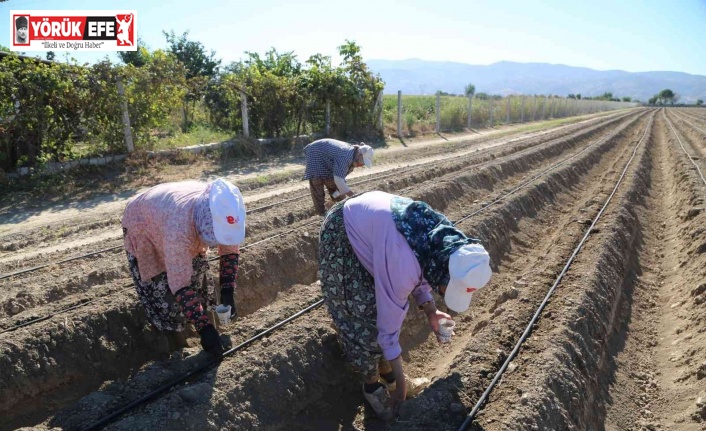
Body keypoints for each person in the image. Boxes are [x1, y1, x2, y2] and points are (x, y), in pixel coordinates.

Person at [318, 191, 492, 419]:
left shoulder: (442, 243)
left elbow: (420, 265)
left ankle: (388, 376)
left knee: (375, 308)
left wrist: (431, 309)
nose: (444, 293)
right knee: (362, 316)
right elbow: (387, 330)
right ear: (444, 273)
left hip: (378, 232)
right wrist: (402, 388)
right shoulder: (402, 261)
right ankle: (372, 386)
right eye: (448, 289)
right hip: (344, 232)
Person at [122, 178, 245, 359]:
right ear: (204, 226)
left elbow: (229, 247)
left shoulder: (226, 209)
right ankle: (177, 344)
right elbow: (179, 283)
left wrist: (227, 290)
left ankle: (205, 328)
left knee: (198, 274)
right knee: (163, 290)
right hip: (143, 222)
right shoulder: (178, 228)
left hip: (168, 212)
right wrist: (204, 329)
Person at [303, 138, 374, 215]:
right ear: (359, 156)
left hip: (326, 159)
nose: (361, 165)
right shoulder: (346, 156)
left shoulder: (352, 158)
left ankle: (333, 205)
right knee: (317, 184)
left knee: (336, 189)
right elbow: (339, 181)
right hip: (315, 154)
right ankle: (321, 214)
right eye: (362, 163)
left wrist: (333, 199)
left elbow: (340, 185)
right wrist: (353, 196)